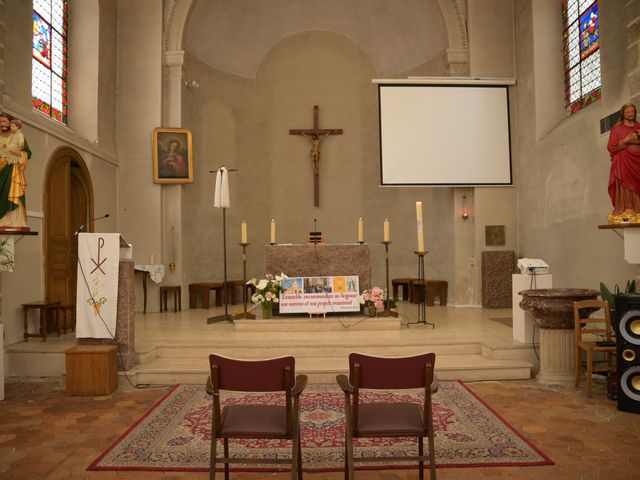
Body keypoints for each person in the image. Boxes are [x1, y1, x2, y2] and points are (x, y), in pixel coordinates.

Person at [607, 103, 640, 223]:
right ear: (623, 114)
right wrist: (626, 140)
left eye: (632, 111)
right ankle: (629, 208)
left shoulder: (638, 126)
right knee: (626, 183)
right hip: (624, 161)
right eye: (628, 112)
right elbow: (611, 147)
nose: (631, 114)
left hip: (638, 161)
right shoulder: (617, 129)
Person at [0, 113, 31, 229]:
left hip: (11, 168)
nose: (1, 124)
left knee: (9, 191)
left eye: (4, 121)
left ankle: (11, 220)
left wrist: (17, 154)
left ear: (11, 122)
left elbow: (27, 152)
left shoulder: (17, 135)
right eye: (0, 122)